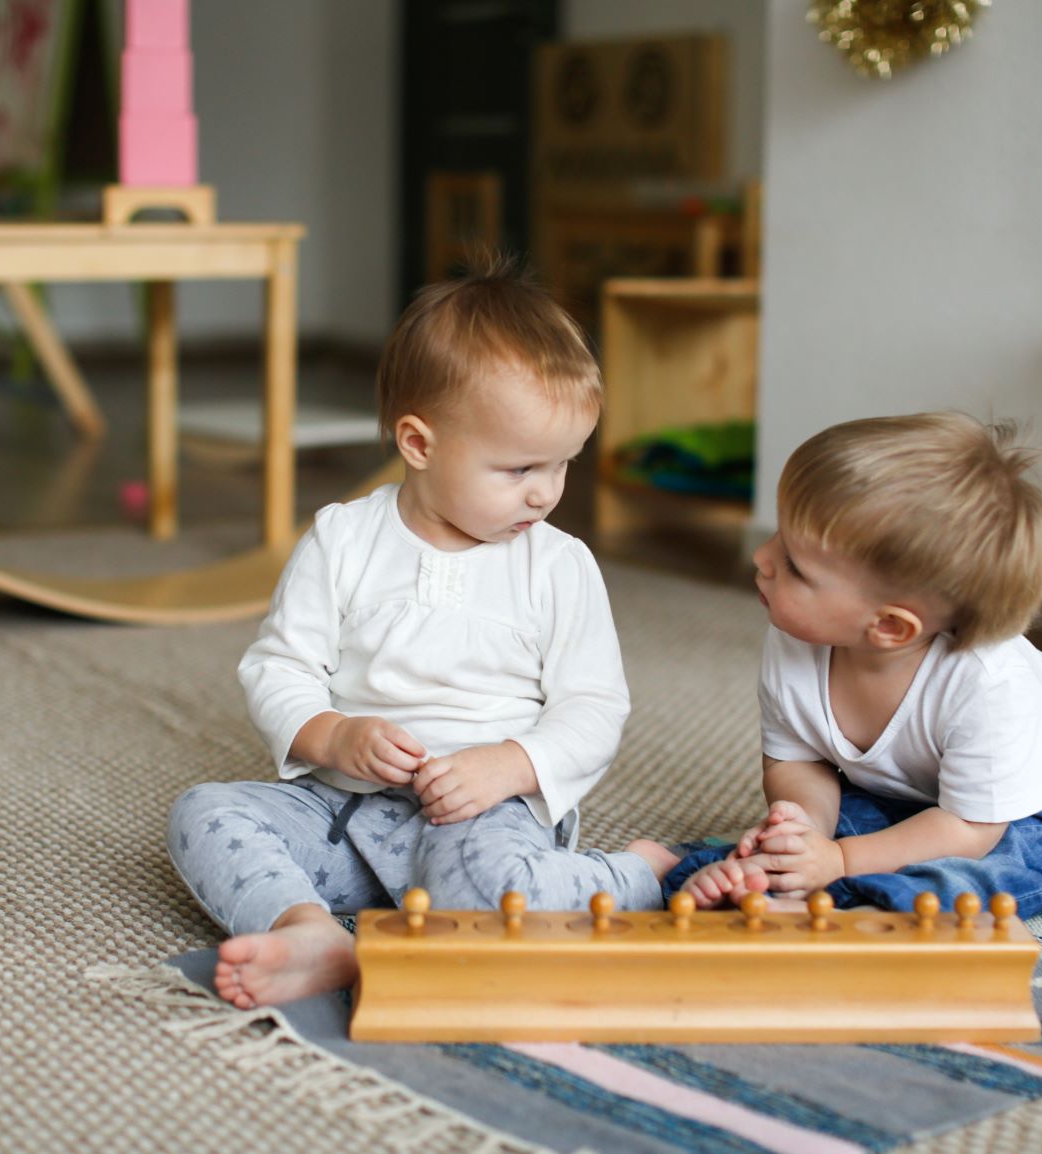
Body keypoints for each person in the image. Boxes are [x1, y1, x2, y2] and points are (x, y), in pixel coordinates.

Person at [167, 258, 679, 1010]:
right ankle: (311, 932)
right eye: (519, 468)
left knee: (486, 892)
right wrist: (332, 737)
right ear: (419, 443)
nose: (545, 492)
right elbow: (280, 667)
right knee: (205, 813)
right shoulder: (344, 539)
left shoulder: (559, 565)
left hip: (481, 820)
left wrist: (508, 765)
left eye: (563, 464)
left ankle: (627, 877)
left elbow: (594, 708)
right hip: (343, 814)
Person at [668, 412, 1042, 917]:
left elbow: (971, 828)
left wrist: (839, 860)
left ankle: (857, 909)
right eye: (779, 535)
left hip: (1025, 816)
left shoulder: (992, 685)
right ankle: (743, 881)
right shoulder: (796, 640)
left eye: (794, 565)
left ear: (888, 626)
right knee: (801, 842)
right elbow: (798, 761)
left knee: (990, 875)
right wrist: (804, 831)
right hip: (905, 800)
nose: (761, 558)